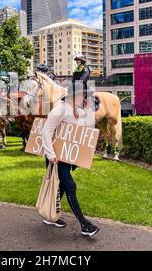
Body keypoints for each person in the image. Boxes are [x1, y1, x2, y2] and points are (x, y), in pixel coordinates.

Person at [41, 82, 100, 237]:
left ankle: (50, 216)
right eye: (82, 95)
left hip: (67, 157)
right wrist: (50, 155)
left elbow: (89, 128)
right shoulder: (59, 109)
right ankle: (85, 225)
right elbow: (46, 132)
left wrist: (88, 110)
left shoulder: (78, 110)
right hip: (56, 157)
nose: (84, 97)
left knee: (62, 187)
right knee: (70, 186)